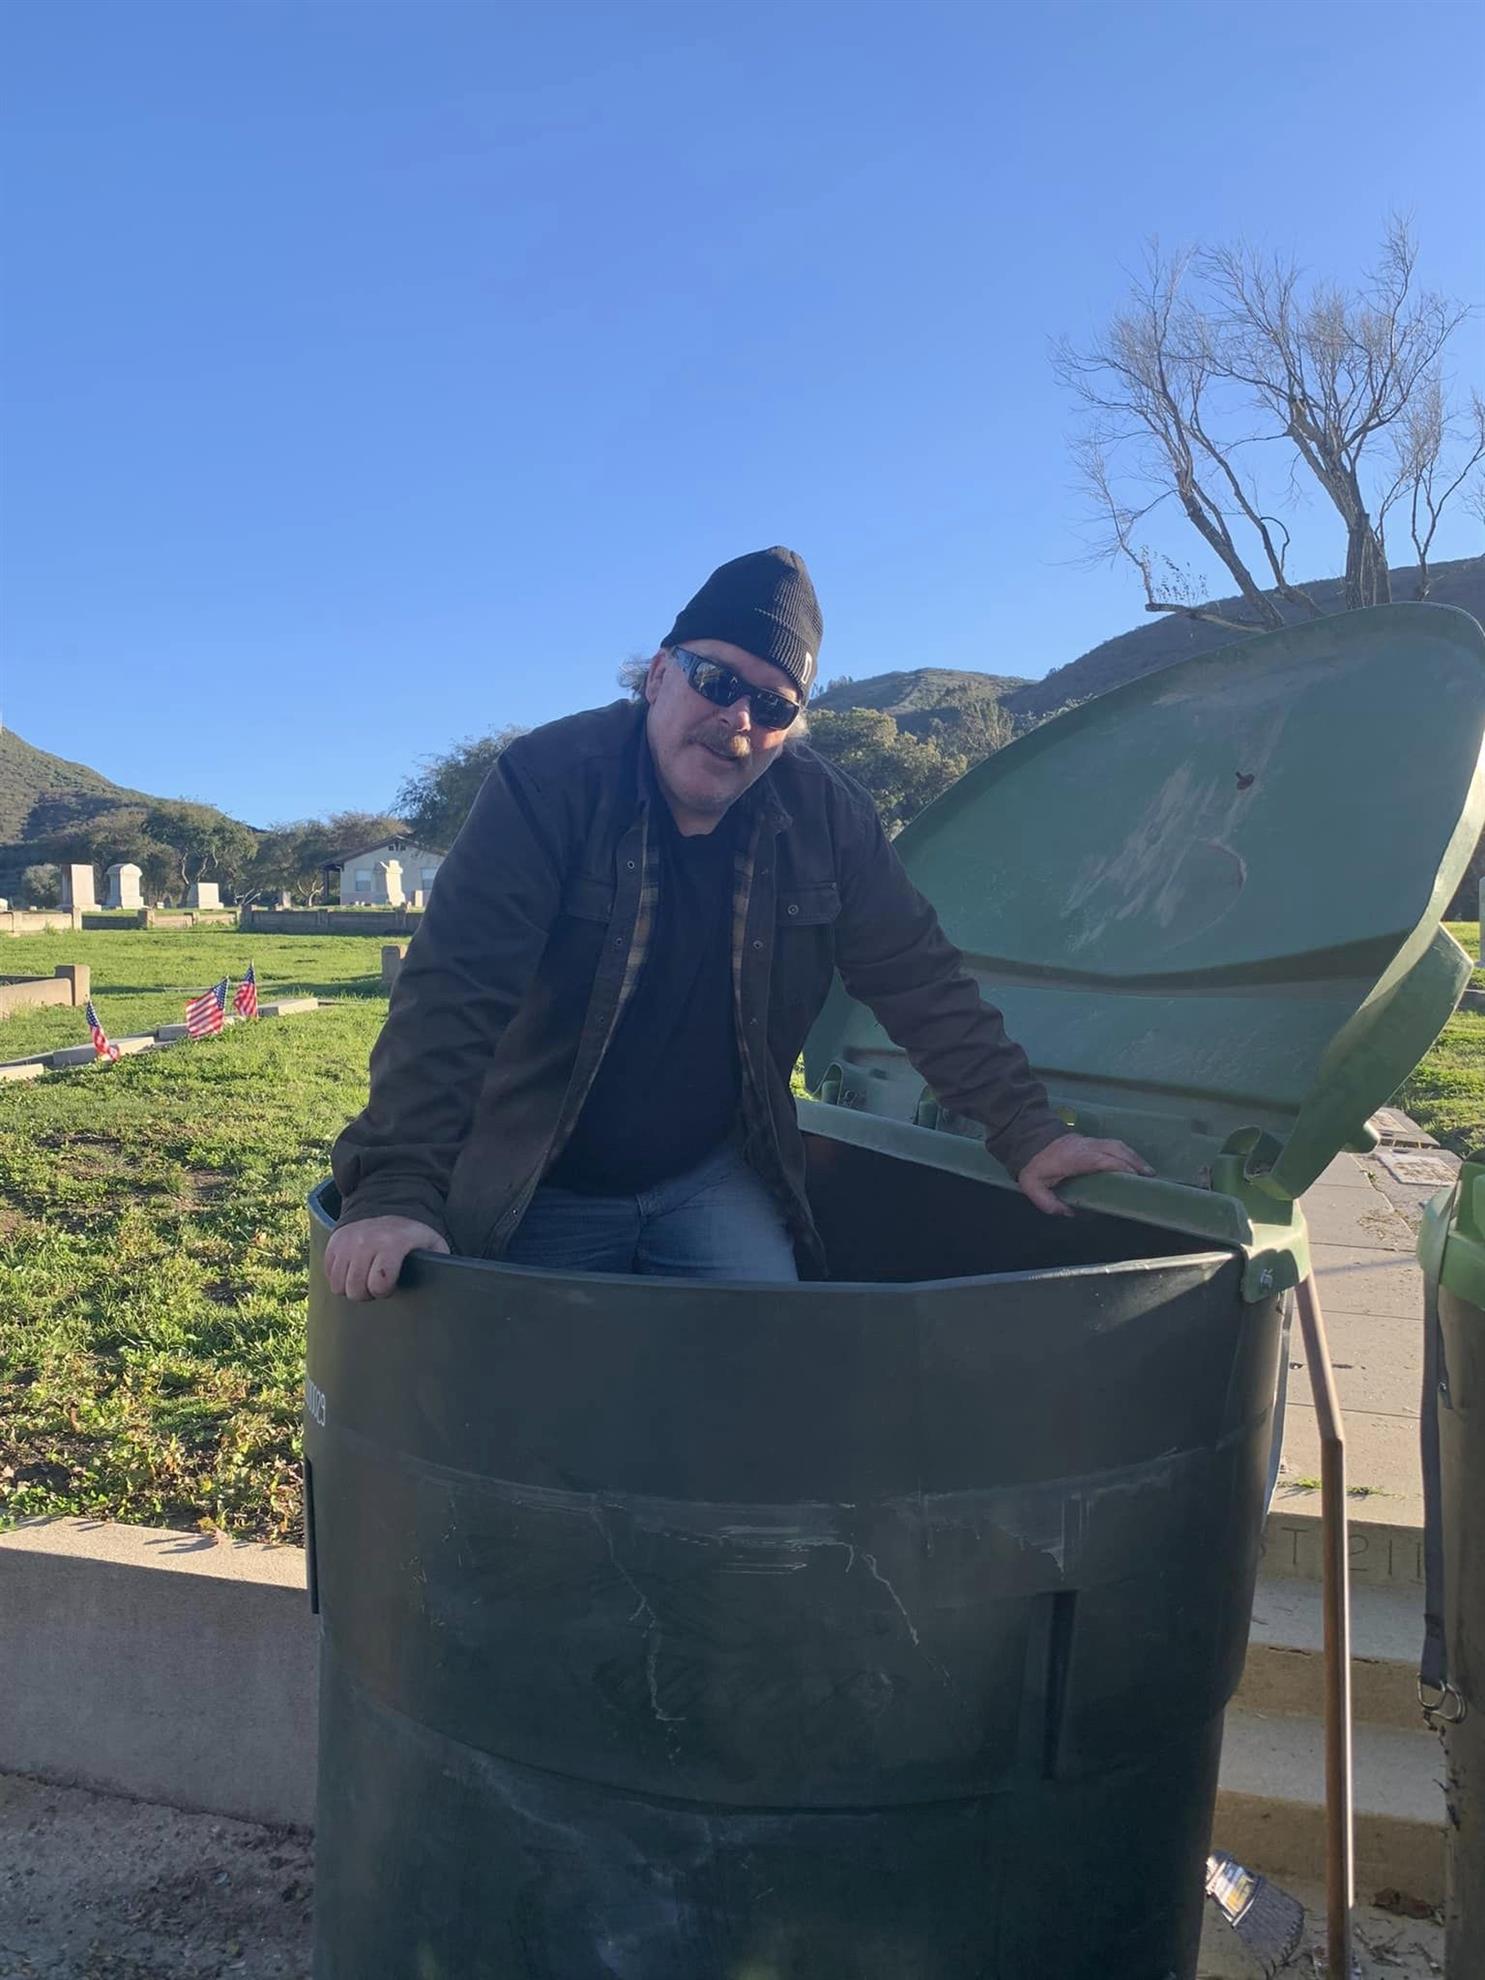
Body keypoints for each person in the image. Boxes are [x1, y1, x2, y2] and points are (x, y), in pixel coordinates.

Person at [325, 546, 1150, 1300]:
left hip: (709, 1174)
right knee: (553, 1396)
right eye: (717, 682)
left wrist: (1027, 1132)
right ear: (657, 675)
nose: (740, 720)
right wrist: (395, 1187)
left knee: (761, 1375)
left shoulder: (826, 815)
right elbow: (455, 991)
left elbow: (917, 979)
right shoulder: (550, 781)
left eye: (773, 705)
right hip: (540, 1174)